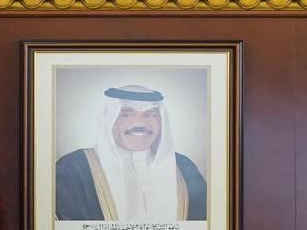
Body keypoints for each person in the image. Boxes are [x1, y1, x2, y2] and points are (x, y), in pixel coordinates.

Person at [56, 84, 206, 221]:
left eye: (150, 114)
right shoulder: (73, 168)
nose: (139, 123)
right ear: (110, 119)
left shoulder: (183, 167)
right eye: (127, 114)